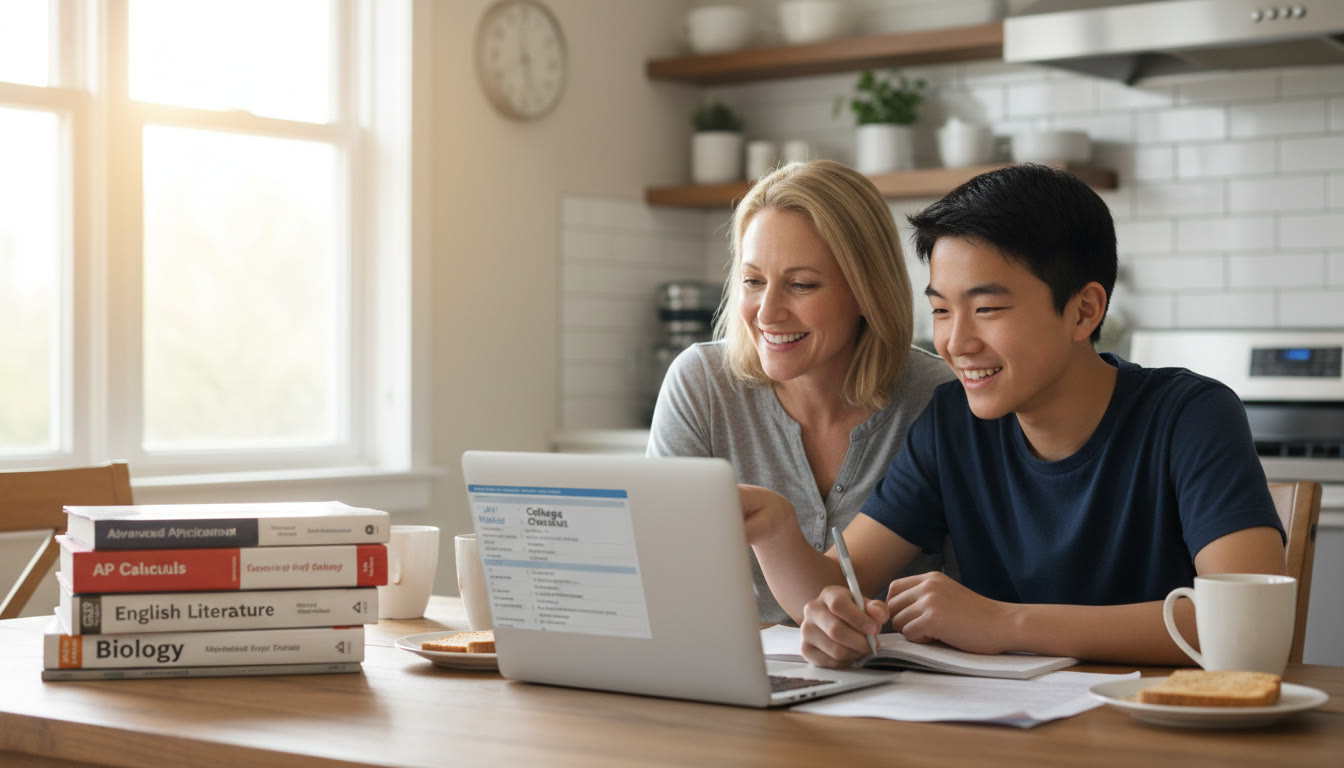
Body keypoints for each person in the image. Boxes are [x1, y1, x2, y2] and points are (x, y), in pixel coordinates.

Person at [742, 164, 1287, 664]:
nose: (956, 342)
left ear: (1084, 310)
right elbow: (838, 589)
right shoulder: (952, 426)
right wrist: (775, 531)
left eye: (987, 309)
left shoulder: (1190, 417)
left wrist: (1007, 623)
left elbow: (1246, 627)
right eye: (940, 310)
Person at [647, 160, 956, 625]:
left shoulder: (936, 399)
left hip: (898, 684)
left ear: (865, 292)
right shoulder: (702, 384)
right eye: (753, 281)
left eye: (801, 285)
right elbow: (662, 575)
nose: (767, 312)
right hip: (732, 676)